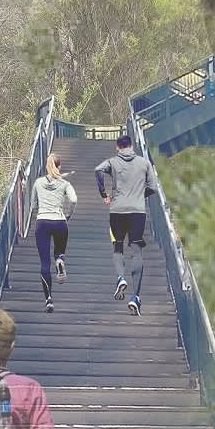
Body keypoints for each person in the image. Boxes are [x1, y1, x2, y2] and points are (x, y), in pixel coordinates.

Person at [94, 134, 156, 315]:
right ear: (131, 145)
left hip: (117, 211)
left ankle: (121, 278)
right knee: (136, 249)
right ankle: (135, 296)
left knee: (117, 247)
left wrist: (103, 194)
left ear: (117, 146)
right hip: (137, 212)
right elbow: (152, 187)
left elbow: (98, 171)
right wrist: (138, 196)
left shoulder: (112, 162)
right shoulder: (144, 163)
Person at [32, 153, 77, 313]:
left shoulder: (38, 182)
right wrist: (68, 214)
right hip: (60, 222)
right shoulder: (65, 184)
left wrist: (40, 211)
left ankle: (49, 299)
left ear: (46, 166)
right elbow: (73, 200)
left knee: (44, 263)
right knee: (59, 252)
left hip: (42, 222)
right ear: (59, 166)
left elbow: (33, 205)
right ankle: (59, 259)